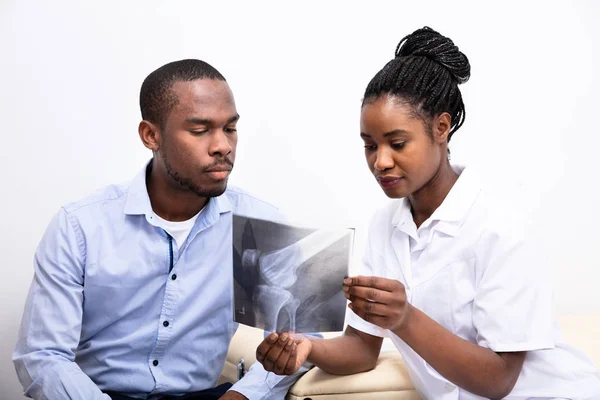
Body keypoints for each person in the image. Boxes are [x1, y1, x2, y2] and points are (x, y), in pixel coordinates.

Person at [256, 27, 600, 399]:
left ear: (441, 128)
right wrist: (307, 348)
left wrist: (404, 318)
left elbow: (499, 380)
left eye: (397, 143)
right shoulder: (385, 226)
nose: (380, 161)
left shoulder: (499, 227)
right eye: (369, 145)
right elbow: (362, 348)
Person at [13, 59, 306, 400]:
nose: (223, 146)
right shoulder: (80, 226)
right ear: (151, 135)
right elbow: (42, 356)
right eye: (200, 130)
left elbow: (301, 341)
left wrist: (242, 396)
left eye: (230, 128)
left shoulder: (260, 225)